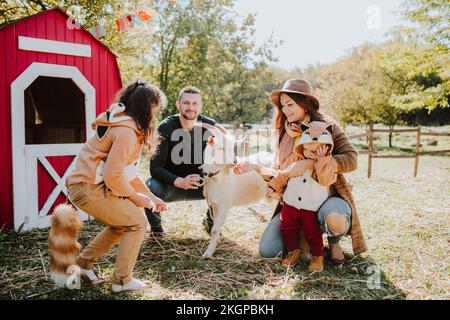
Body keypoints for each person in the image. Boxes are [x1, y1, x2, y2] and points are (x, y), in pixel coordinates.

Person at [235, 78, 367, 267]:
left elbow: (352, 159)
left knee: (335, 219)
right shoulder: (284, 132)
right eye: (283, 106)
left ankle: (334, 242)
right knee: (268, 250)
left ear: (305, 104)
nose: (286, 110)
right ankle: (305, 243)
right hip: (296, 202)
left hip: (326, 197)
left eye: (290, 104)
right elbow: (283, 172)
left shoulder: (326, 126)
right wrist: (256, 167)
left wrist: (311, 164)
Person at [66, 79, 167, 293]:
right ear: (146, 108)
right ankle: (121, 281)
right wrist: (135, 197)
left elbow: (126, 174)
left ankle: (83, 264)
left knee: (123, 224)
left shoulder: (124, 124)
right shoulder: (127, 132)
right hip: (87, 189)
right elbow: (114, 177)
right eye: (155, 110)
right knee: (138, 223)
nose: (155, 116)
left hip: (88, 186)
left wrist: (151, 196)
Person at [145, 86, 226, 236]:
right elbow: (155, 168)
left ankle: (211, 221)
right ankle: (156, 229)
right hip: (172, 186)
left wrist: (211, 167)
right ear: (178, 105)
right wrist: (179, 181)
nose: (191, 107)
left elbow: (224, 157)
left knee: (226, 185)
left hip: (202, 186)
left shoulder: (210, 126)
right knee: (150, 187)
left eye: (195, 103)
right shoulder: (165, 128)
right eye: (186, 103)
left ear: (201, 106)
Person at [267, 121, 337, 271]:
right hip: (290, 204)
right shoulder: (295, 158)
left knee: (312, 232)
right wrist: (272, 186)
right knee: (287, 227)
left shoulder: (328, 165)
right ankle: (293, 251)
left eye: (316, 151)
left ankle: (318, 256)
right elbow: (283, 174)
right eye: (308, 150)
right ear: (302, 146)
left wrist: (322, 161)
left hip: (311, 207)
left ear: (327, 149)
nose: (312, 154)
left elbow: (325, 180)